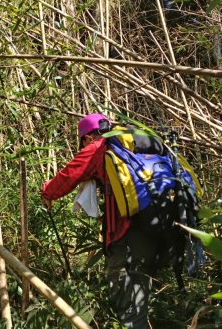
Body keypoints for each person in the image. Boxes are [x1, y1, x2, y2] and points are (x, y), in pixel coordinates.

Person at [41, 113, 161, 329]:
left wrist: (47, 192)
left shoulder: (98, 147)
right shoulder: (131, 142)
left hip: (124, 230)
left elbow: (68, 175)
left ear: (87, 137)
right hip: (151, 224)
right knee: (140, 284)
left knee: (122, 286)